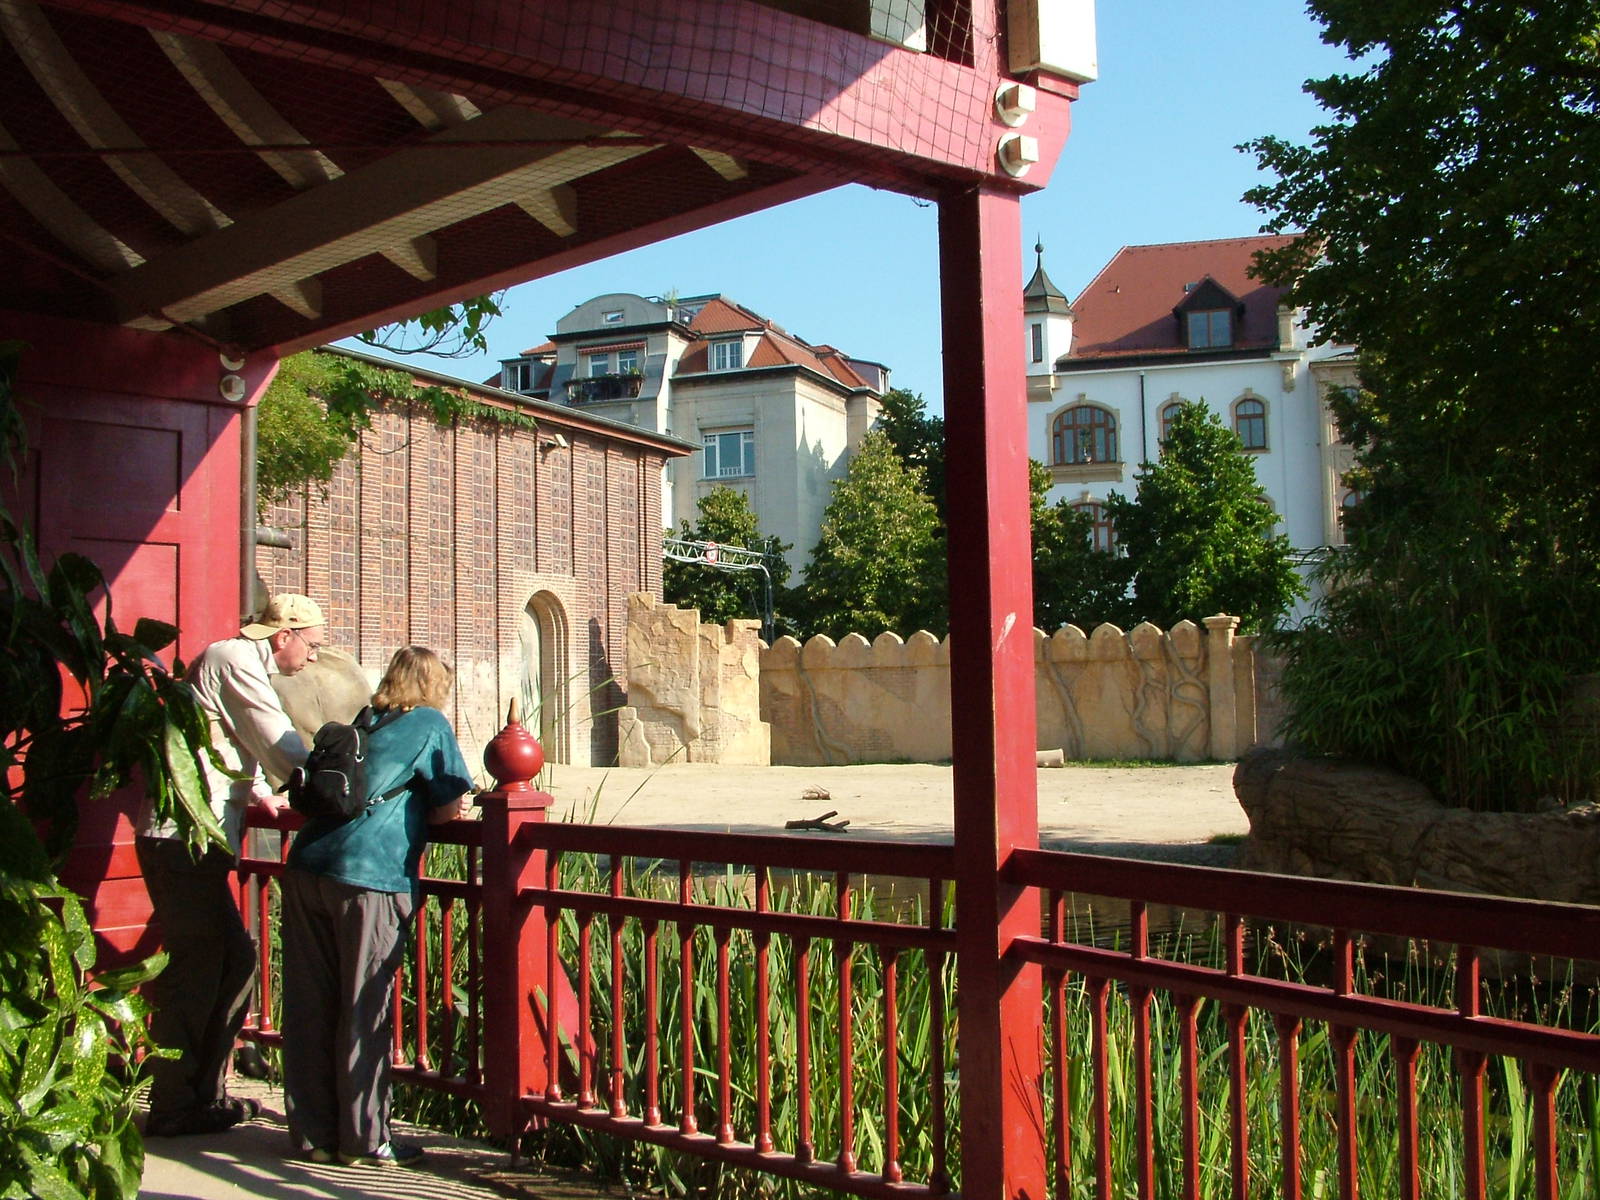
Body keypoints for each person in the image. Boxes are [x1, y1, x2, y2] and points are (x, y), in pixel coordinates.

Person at [136, 593, 322, 1137]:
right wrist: (333, 784)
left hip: (192, 838)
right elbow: (273, 736)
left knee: (228, 961)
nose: (311, 658)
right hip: (183, 838)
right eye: (310, 644)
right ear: (283, 636)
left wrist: (262, 789)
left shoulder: (231, 662)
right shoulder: (236, 660)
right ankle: (176, 1103)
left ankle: (194, 1095)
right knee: (201, 969)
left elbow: (227, 740)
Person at [280, 645, 471, 1167]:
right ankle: (365, 1140)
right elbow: (449, 807)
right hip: (371, 874)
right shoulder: (429, 723)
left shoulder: (366, 720)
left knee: (310, 1002)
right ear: (435, 686)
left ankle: (313, 1134)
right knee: (364, 1004)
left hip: (307, 865)